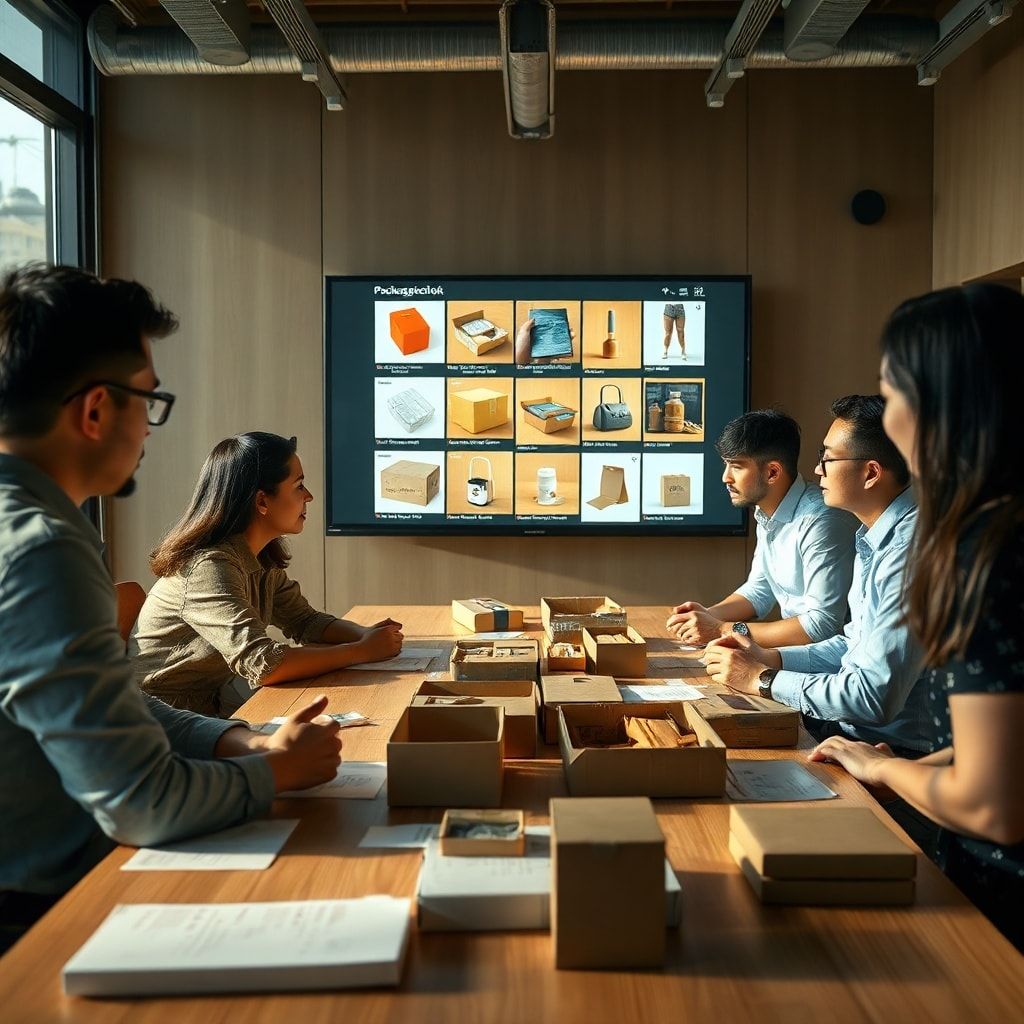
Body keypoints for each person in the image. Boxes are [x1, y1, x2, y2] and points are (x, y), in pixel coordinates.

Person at [0, 265, 342, 952]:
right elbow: (142, 803)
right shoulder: (43, 551)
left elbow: (118, 703)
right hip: (51, 911)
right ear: (96, 410)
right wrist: (276, 770)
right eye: (148, 401)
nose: (151, 429)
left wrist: (236, 741)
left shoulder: (36, 528)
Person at [809, 285, 1024, 950]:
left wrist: (883, 770)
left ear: (939, 407)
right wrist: (919, 765)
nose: (890, 413)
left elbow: (993, 806)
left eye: (892, 392)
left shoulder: (982, 548)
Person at [701, 397, 936, 852]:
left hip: (897, 761)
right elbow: (848, 643)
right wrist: (768, 657)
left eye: (828, 458)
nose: (818, 469)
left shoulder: (907, 552)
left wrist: (765, 678)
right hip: (857, 741)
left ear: (870, 472)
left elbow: (870, 696)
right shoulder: (876, 539)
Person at [134, 432, 404, 716]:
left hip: (206, 711)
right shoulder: (209, 568)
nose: (309, 496)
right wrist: (360, 651)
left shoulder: (257, 556)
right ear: (262, 501)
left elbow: (304, 621)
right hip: (161, 722)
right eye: (299, 486)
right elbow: (264, 663)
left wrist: (366, 635)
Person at [667, 409, 856, 648]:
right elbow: (760, 589)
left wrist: (721, 629)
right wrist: (708, 615)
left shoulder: (821, 520)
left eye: (736, 467)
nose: (726, 477)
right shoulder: (766, 510)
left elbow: (823, 624)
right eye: (726, 465)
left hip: (833, 661)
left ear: (772, 472)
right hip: (799, 651)